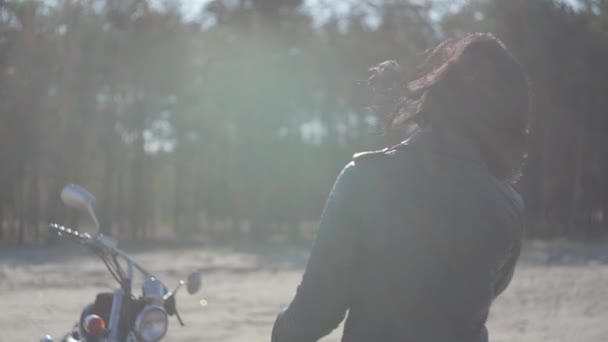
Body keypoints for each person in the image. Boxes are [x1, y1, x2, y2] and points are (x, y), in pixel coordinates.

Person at [271, 33, 531, 342]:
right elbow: (485, 292)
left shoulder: (367, 178)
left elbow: (316, 310)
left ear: (439, 94)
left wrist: (281, 333)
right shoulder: (507, 202)